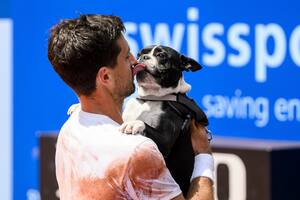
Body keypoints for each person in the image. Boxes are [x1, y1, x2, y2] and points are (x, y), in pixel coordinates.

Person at [48, 14, 214, 200]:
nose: (136, 61)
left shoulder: (69, 130)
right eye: (127, 56)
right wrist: (203, 157)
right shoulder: (136, 152)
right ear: (105, 77)